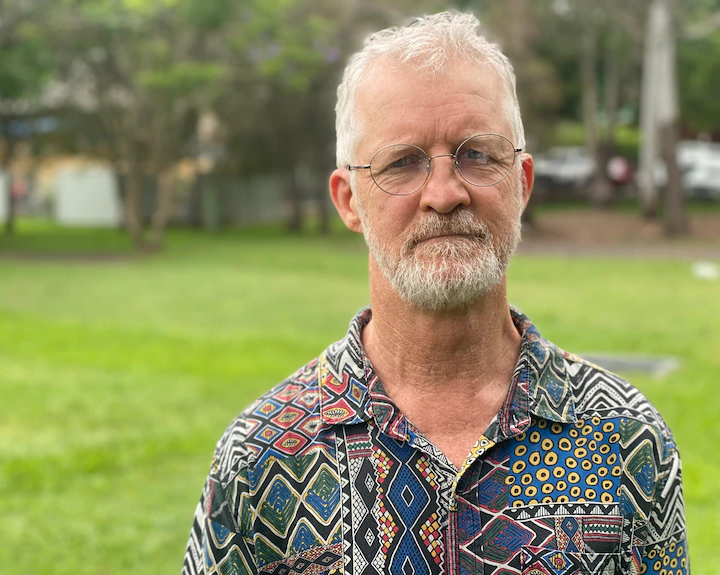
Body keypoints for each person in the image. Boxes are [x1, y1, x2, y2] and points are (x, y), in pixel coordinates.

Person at [183, 12, 688, 575]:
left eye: (478, 155)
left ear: (521, 183)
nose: (445, 194)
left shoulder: (625, 439)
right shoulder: (261, 458)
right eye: (402, 162)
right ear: (349, 200)